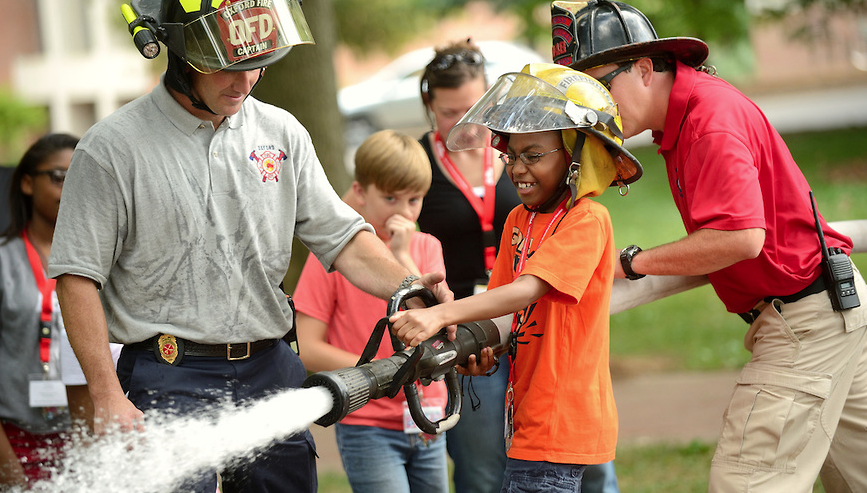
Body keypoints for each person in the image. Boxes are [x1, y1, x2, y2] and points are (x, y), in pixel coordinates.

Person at [47, 2, 451, 492]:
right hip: (167, 372)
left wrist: (413, 291)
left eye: (256, 64)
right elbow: (76, 276)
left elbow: (342, 237)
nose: (245, 82)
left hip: (269, 368)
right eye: (225, 66)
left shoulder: (282, 133)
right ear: (179, 55)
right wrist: (105, 391)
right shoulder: (110, 148)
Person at [550, 1, 867, 491]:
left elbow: (739, 238)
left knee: (744, 481)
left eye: (599, 86)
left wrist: (632, 263)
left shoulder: (708, 121)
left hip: (809, 320)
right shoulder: (691, 115)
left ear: (642, 68)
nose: (594, 107)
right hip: (833, 309)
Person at [391, 63, 643, 492]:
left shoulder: (586, 220)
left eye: (534, 155)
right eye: (511, 156)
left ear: (576, 156)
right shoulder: (517, 221)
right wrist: (476, 346)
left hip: (560, 424)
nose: (517, 168)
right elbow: (508, 313)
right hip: (526, 421)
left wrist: (441, 315)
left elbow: (527, 288)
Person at [294, 129, 450, 493]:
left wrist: (402, 256)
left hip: (425, 414)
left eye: (414, 200)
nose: (403, 210)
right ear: (360, 193)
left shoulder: (427, 248)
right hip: (367, 423)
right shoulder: (335, 256)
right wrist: (382, 375)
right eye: (390, 197)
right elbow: (309, 347)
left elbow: (441, 330)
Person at [416, 38, 519, 493]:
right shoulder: (416, 162)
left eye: (473, 109)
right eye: (449, 114)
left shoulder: (519, 149)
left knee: (575, 460)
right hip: (460, 331)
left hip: (529, 315)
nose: (465, 125)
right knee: (480, 466)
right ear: (428, 106)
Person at [0, 133, 77, 488]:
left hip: (86, 440)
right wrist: (12, 474)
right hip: (15, 442)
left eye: (81, 175)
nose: (72, 186)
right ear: (28, 183)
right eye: (60, 176)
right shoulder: (3, 259)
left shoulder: (106, 261)